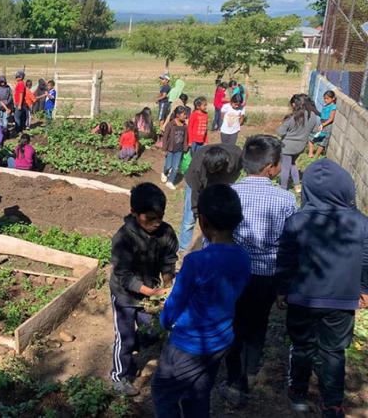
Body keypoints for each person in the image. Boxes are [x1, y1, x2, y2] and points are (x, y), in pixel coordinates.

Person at [276, 159, 368, 418]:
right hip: (342, 300)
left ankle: (298, 393)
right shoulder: (361, 223)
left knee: (302, 346)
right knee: (334, 351)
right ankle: (332, 404)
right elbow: (366, 259)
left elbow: (285, 259)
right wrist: (364, 288)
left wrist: (281, 289)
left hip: (302, 298)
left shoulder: (296, 221)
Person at [152, 184, 251, 418]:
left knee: (162, 392)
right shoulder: (244, 257)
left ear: (203, 222)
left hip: (188, 344)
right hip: (220, 340)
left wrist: (165, 322)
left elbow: (175, 303)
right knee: (198, 392)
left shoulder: (196, 262)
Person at [222, 135, 297, 406]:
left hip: (232, 273)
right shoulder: (286, 199)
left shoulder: (229, 194)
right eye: (279, 163)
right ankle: (251, 370)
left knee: (233, 322)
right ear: (270, 167)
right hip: (267, 276)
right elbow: (290, 245)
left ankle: (234, 379)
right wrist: (285, 285)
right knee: (258, 323)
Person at [110, 183, 178, 396]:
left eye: (160, 217)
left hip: (150, 294)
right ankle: (119, 376)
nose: (156, 223)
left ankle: (131, 347)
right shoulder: (123, 238)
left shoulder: (166, 233)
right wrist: (150, 292)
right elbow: (123, 275)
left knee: (152, 332)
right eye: (150, 218)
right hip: (125, 295)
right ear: (134, 213)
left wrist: (167, 286)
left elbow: (169, 261)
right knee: (125, 336)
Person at [178, 143, 242, 254]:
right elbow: (195, 194)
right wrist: (197, 214)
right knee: (189, 218)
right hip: (196, 183)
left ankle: (212, 245)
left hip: (222, 182)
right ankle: (184, 247)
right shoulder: (197, 168)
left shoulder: (236, 156)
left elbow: (237, 171)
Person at [277, 94, 321, 193]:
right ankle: (297, 186)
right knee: (292, 164)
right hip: (300, 147)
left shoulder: (293, 117)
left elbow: (280, 132)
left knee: (285, 167)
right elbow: (314, 130)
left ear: (294, 105)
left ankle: (282, 189)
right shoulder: (312, 116)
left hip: (287, 147)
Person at [161, 106, 189, 191]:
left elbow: (185, 138)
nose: (185, 116)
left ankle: (170, 182)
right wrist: (164, 149)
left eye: (185, 114)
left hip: (179, 150)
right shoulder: (170, 124)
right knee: (168, 165)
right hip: (170, 149)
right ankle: (164, 173)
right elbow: (165, 137)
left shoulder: (184, 126)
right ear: (177, 115)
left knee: (176, 167)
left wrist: (185, 148)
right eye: (184, 114)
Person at [308, 90, 337, 158]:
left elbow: (331, 119)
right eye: (324, 98)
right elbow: (322, 115)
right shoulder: (325, 105)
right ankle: (310, 153)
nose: (325, 100)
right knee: (311, 137)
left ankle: (316, 156)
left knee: (323, 142)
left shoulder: (333, 107)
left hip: (327, 126)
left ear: (333, 98)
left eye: (327, 98)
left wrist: (323, 125)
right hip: (322, 124)